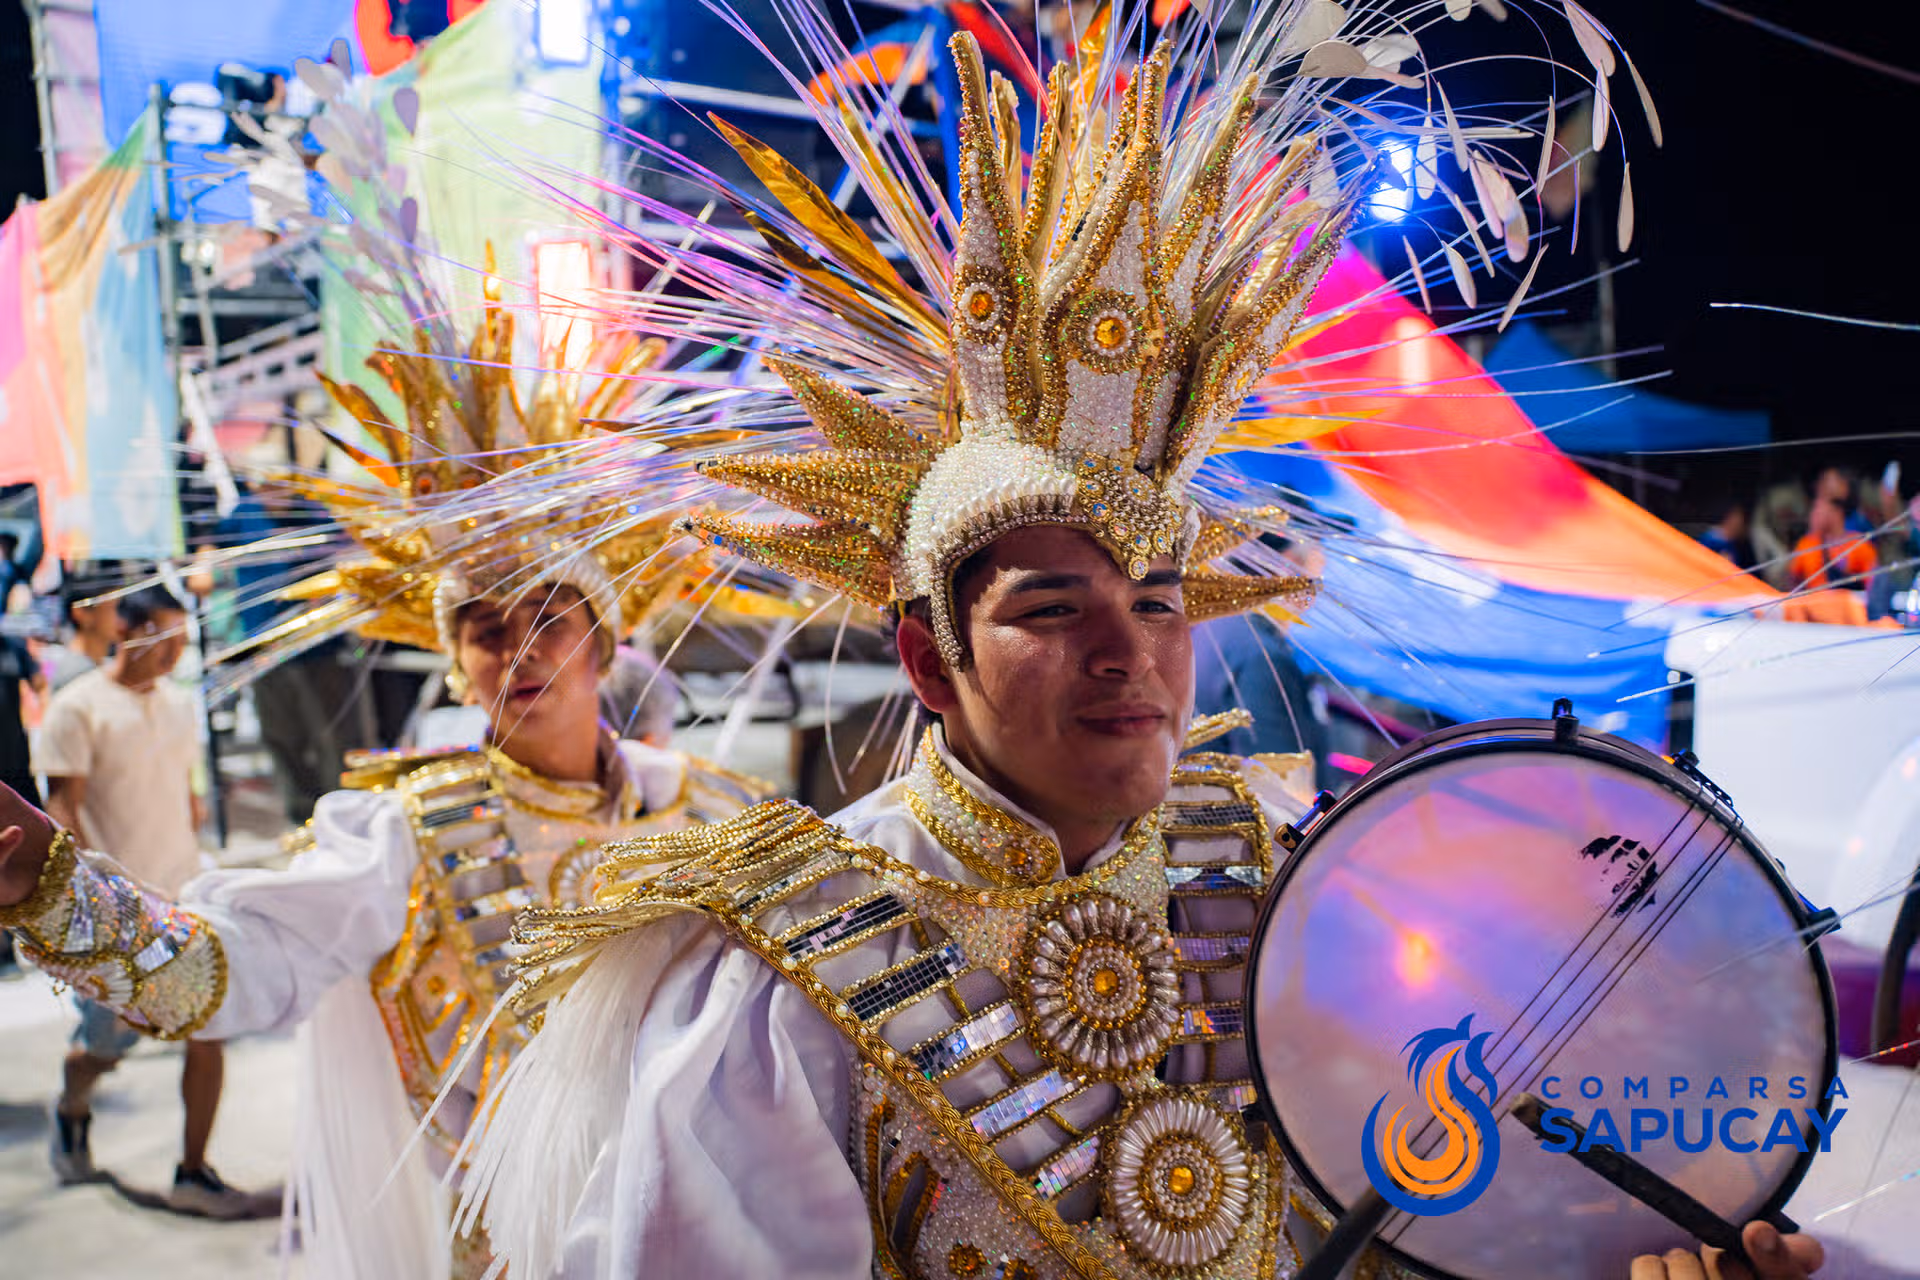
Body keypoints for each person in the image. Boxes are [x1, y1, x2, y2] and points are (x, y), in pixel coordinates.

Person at [431, 10, 1821, 1278]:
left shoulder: (1291, 890)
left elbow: (1430, 1212)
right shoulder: (777, 977)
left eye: (1157, 600)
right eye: (1052, 608)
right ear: (930, 661)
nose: (1129, 652)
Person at [0, 299, 771, 1277]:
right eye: (485, 627)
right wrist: (58, 890)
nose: (519, 648)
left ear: (605, 646)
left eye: (549, 615)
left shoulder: (717, 812)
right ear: (455, 664)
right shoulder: (403, 834)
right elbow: (234, 967)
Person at [31, 585, 245, 1213]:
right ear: (126, 631)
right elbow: (63, 811)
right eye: (164, 636)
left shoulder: (179, 706)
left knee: (209, 1028)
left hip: (184, 901)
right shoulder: (77, 708)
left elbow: (186, 790)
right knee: (106, 1047)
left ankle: (192, 1172)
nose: (175, 651)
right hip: (114, 919)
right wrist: (98, 905)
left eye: (182, 637)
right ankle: (72, 1103)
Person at [1789, 497, 1877, 593]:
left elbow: (1873, 584)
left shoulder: (1859, 545)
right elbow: (1792, 579)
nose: (1813, 515)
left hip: (1847, 600)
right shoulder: (1807, 544)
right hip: (1814, 600)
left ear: (1836, 512)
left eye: (1819, 510)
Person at [1697, 497, 1756, 571]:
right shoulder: (1709, 540)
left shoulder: (1733, 545)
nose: (1740, 525)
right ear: (1729, 518)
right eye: (1736, 518)